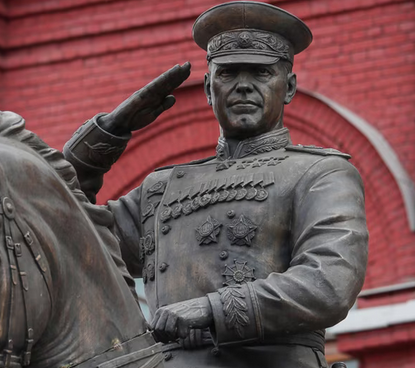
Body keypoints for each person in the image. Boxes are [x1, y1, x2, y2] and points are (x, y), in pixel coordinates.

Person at [63, 2, 368, 367]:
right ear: (209, 87)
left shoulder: (319, 173)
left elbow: (328, 283)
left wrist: (211, 309)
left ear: (287, 87)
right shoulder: (161, 189)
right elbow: (67, 229)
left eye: (260, 73)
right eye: (228, 74)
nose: (243, 86)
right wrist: (102, 139)